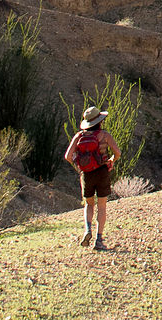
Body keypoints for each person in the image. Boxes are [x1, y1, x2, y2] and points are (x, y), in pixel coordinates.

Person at [63, 105, 122, 250]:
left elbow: (67, 156)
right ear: (100, 121)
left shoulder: (79, 136)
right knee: (102, 206)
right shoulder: (105, 135)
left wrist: (79, 166)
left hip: (86, 174)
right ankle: (99, 239)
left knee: (89, 204)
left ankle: (87, 230)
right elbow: (118, 153)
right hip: (102, 172)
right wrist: (111, 161)